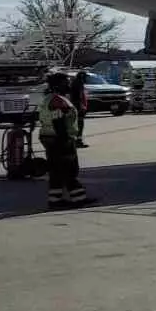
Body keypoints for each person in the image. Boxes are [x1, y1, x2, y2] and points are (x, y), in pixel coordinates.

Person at [37, 71, 94, 209]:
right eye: (66, 81)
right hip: (58, 139)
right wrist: (65, 140)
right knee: (68, 169)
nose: (69, 84)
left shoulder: (49, 98)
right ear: (59, 84)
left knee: (57, 170)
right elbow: (58, 121)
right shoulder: (57, 100)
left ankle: (58, 200)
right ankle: (75, 199)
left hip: (50, 137)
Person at [68, 70, 90, 148]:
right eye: (85, 77)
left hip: (76, 106)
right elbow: (78, 97)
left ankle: (76, 140)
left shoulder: (76, 83)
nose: (86, 79)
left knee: (77, 125)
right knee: (79, 125)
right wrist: (81, 107)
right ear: (82, 77)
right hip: (78, 107)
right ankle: (78, 141)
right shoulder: (78, 84)